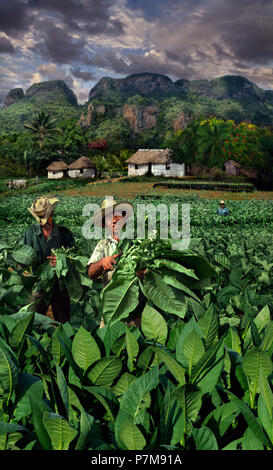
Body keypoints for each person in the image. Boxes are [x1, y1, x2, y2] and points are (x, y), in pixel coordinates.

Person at [87, 198, 146, 327]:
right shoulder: (103, 245)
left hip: (137, 313)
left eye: (117, 215)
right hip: (111, 312)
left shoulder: (139, 243)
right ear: (104, 224)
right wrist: (102, 262)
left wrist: (145, 272)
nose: (114, 220)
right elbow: (91, 273)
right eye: (108, 217)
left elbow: (152, 270)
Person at [23, 196, 75, 323]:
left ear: (52, 213)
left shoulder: (64, 233)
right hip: (39, 285)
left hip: (60, 286)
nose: (43, 221)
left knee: (63, 325)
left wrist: (62, 261)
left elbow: (74, 258)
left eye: (46, 216)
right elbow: (24, 256)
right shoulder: (30, 233)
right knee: (31, 322)